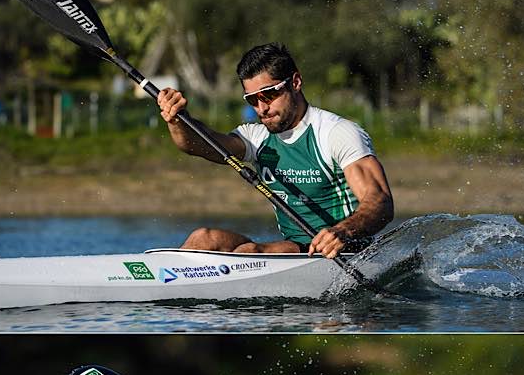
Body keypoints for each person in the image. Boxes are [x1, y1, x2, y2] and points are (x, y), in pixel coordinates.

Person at [157, 42, 394, 259]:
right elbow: (198, 144)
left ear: (296, 82)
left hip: (346, 250)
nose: (261, 108)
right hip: (295, 248)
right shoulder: (256, 137)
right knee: (203, 238)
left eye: (269, 94)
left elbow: (380, 201)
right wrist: (178, 120)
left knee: (249, 252)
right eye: (252, 100)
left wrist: (343, 231)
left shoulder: (336, 133)